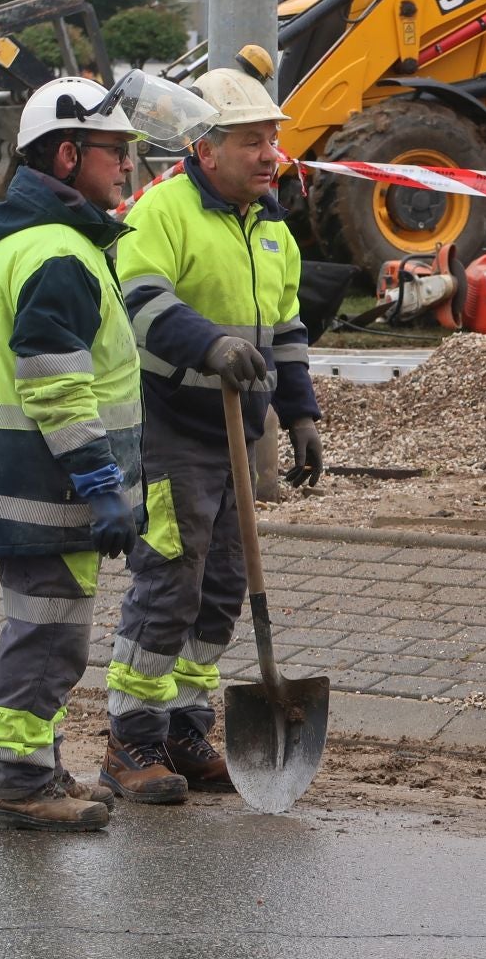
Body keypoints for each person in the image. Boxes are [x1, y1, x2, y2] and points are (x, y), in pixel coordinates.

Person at [102, 64, 324, 803]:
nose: (271, 157)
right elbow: (141, 301)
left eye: (274, 143)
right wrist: (210, 344)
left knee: (223, 585)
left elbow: (287, 329)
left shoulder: (271, 227)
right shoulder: (162, 212)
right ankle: (130, 738)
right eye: (253, 142)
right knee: (171, 579)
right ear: (206, 150)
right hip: (169, 427)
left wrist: (300, 415)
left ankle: (185, 726)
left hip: (239, 433)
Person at [0, 75, 146, 832]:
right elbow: (56, 386)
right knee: (47, 639)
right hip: (49, 489)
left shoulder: (23, 239)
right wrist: (101, 487)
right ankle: (15, 785)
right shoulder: (59, 252)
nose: (126, 164)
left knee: (46, 631)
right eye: (114, 150)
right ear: (68, 156)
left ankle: (36, 769)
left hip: (23, 482)